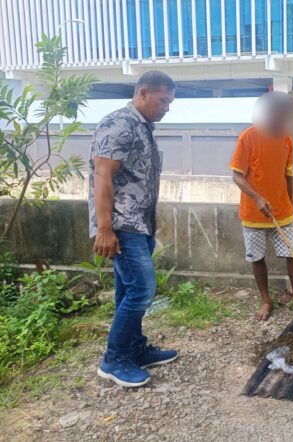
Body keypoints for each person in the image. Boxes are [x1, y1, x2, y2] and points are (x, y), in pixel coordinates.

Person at [90, 71, 177, 387]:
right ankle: (114, 360)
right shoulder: (120, 125)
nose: (167, 107)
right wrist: (104, 228)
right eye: (163, 99)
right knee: (142, 289)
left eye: (170, 101)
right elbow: (103, 175)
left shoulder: (143, 127)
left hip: (140, 225)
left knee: (127, 290)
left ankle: (134, 349)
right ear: (143, 92)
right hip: (121, 226)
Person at [230, 91, 293, 321]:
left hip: (282, 211)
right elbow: (237, 176)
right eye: (276, 113)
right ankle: (266, 300)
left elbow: (288, 176)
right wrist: (257, 198)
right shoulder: (247, 137)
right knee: (257, 258)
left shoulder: (287, 139)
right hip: (253, 213)